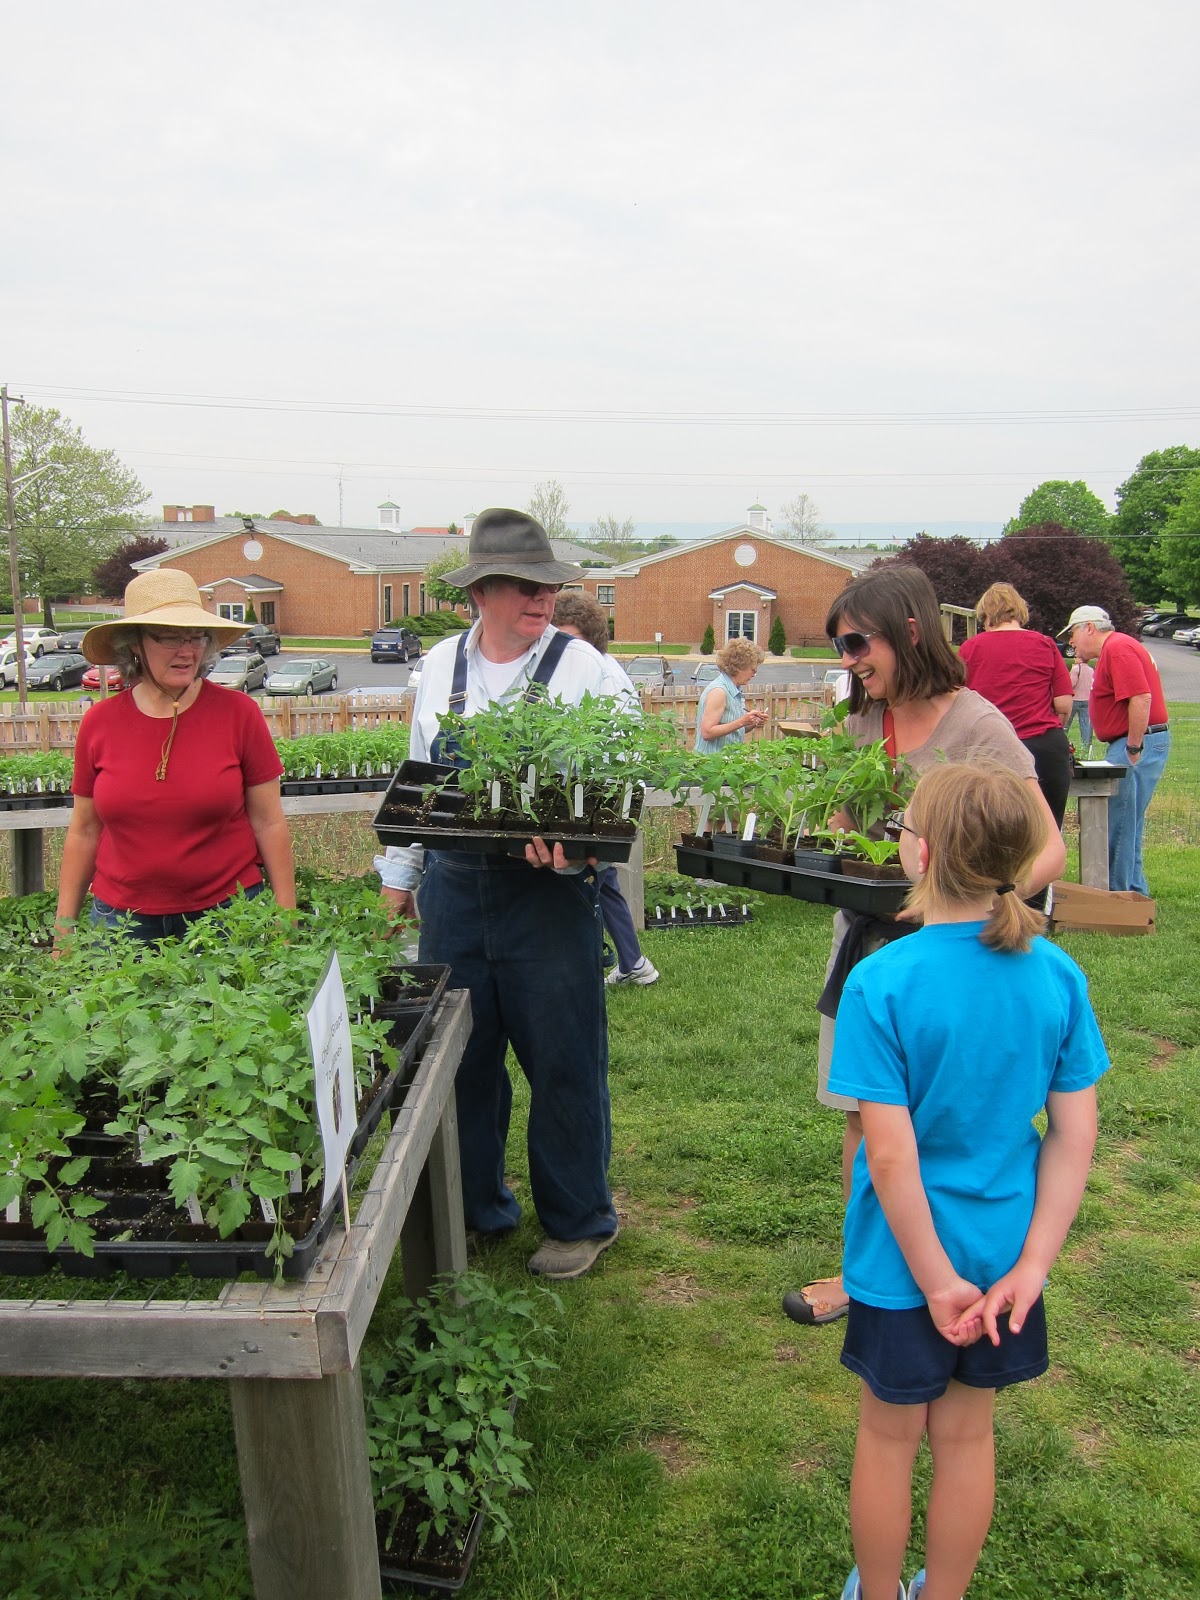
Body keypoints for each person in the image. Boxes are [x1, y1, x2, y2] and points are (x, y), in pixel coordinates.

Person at [828, 762, 1108, 1600]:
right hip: (1001, 1262)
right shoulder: (1057, 976)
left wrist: (934, 1281)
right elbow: (1074, 1135)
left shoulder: (881, 980)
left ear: (921, 853)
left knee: (888, 1439)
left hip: (901, 1264)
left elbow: (888, 1157)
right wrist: (1033, 1267)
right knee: (966, 1439)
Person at [783, 566, 1066, 1329]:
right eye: (840, 647)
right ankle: (863, 1272)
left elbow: (1048, 848)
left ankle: (954, 1261)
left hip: (955, 958)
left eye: (857, 643)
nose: (849, 660)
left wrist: (978, 903)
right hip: (872, 952)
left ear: (909, 632)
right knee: (862, 1113)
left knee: (942, 1120)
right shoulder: (860, 723)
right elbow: (846, 830)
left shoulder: (977, 726)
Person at [375, 509, 621, 1280]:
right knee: (461, 1060)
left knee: (563, 1058)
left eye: (548, 585)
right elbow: (419, 774)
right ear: (480, 592)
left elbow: (627, 778)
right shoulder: (441, 665)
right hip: (454, 888)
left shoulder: (586, 670)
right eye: (524, 586)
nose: (543, 598)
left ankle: (578, 1220)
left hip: (546, 894)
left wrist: (579, 844)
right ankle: (475, 1206)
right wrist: (400, 876)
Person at [54, 570, 295, 944]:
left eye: (196, 636)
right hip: (121, 923)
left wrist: (285, 919)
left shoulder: (239, 714)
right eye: (169, 637)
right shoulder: (100, 723)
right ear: (135, 643)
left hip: (227, 916)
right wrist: (63, 933)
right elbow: (84, 830)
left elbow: (269, 822)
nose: (187, 651)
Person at [552, 591, 658, 988]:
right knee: (602, 882)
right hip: (587, 802)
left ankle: (619, 963)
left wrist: (603, 818)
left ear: (592, 639)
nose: (561, 648)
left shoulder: (604, 678)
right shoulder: (581, 672)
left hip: (599, 804)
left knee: (594, 881)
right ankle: (631, 962)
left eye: (569, 639)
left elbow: (616, 754)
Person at [1060, 604, 1170, 896]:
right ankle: (1134, 895)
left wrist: (1133, 746)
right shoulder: (1118, 647)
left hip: (1134, 741)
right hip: (1134, 740)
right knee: (1127, 824)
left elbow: (1141, 697)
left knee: (1118, 824)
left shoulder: (1117, 649)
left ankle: (1115, 897)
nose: (1071, 642)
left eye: (1072, 633)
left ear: (1089, 628)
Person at [958, 582, 1074, 834]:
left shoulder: (970, 649)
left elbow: (956, 702)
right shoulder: (1045, 644)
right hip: (1044, 747)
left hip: (991, 749)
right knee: (1047, 833)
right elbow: (1063, 704)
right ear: (1019, 611)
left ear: (987, 615)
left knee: (996, 834)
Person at [693, 637, 767, 751]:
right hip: (710, 760)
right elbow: (707, 733)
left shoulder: (734, 689)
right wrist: (742, 721)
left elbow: (735, 730)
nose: (754, 675)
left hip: (728, 760)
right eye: (753, 670)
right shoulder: (719, 692)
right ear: (739, 667)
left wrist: (752, 722)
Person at [1066, 653, 1094, 756]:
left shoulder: (1076, 669)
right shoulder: (1091, 670)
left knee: (1067, 723)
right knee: (1085, 724)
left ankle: (1063, 741)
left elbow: (1071, 684)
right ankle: (1085, 746)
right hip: (1087, 699)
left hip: (1075, 699)